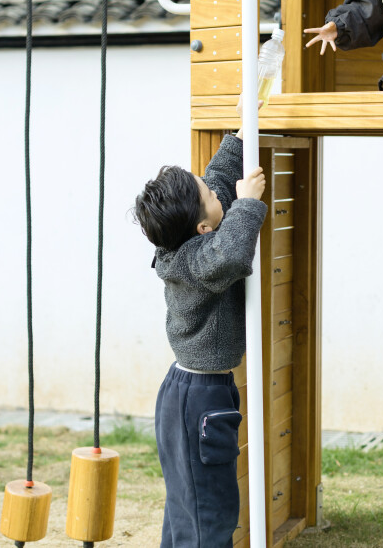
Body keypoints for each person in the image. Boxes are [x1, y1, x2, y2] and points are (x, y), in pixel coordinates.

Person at [133, 100, 267, 548]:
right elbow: (232, 253)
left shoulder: (187, 239)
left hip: (187, 393)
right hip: (199, 399)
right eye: (211, 197)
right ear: (204, 227)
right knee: (209, 513)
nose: (217, 191)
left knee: (185, 508)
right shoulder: (199, 262)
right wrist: (248, 205)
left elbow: (213, 185)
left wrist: (242, 136)